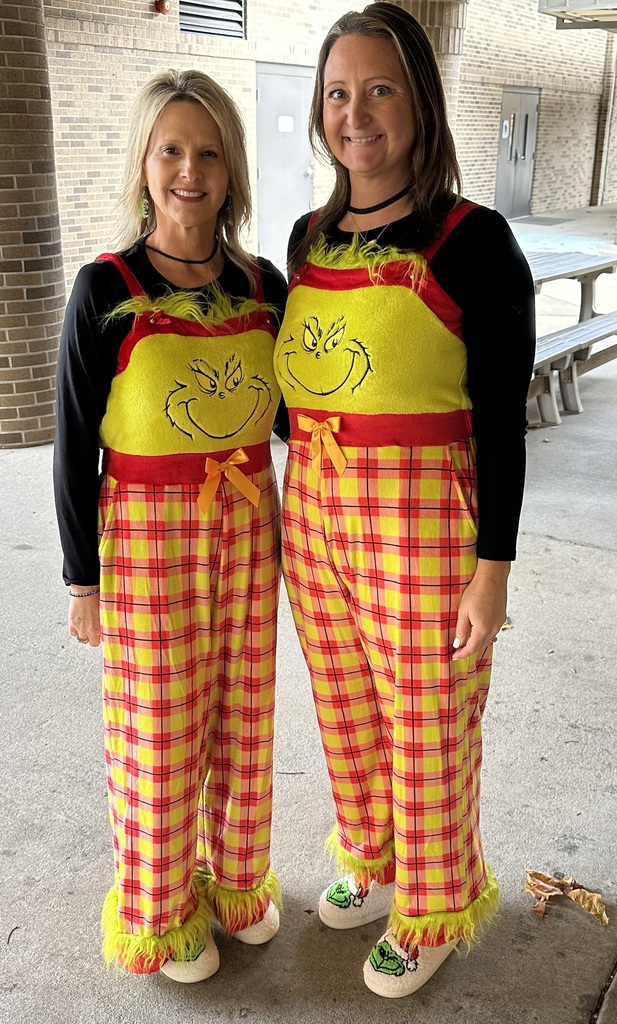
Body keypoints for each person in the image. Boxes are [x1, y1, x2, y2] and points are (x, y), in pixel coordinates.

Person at [273, 1, 535, 999]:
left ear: (418, 101)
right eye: (338, 93)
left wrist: (491, 571)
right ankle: (375, 860)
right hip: (316, 517)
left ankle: (431, 901)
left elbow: (501, 424)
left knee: (425, 722)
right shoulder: (302, 239)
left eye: (378, 87)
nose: (356, 113)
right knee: (346, 710)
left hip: (421, 523)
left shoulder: (471, 237)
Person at [53, 69, 289, 983]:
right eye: (171, 150)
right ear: (145, 166)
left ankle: (235, 882)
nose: (190, 169)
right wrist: (83, 580)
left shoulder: (263, 286)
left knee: (242, 717)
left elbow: (289, 411)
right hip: (148, 541)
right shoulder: (103, 289)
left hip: (248, 526)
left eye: (209, 152)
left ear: (230, 171)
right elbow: (75, 445)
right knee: (159, 728)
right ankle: (161, 907)